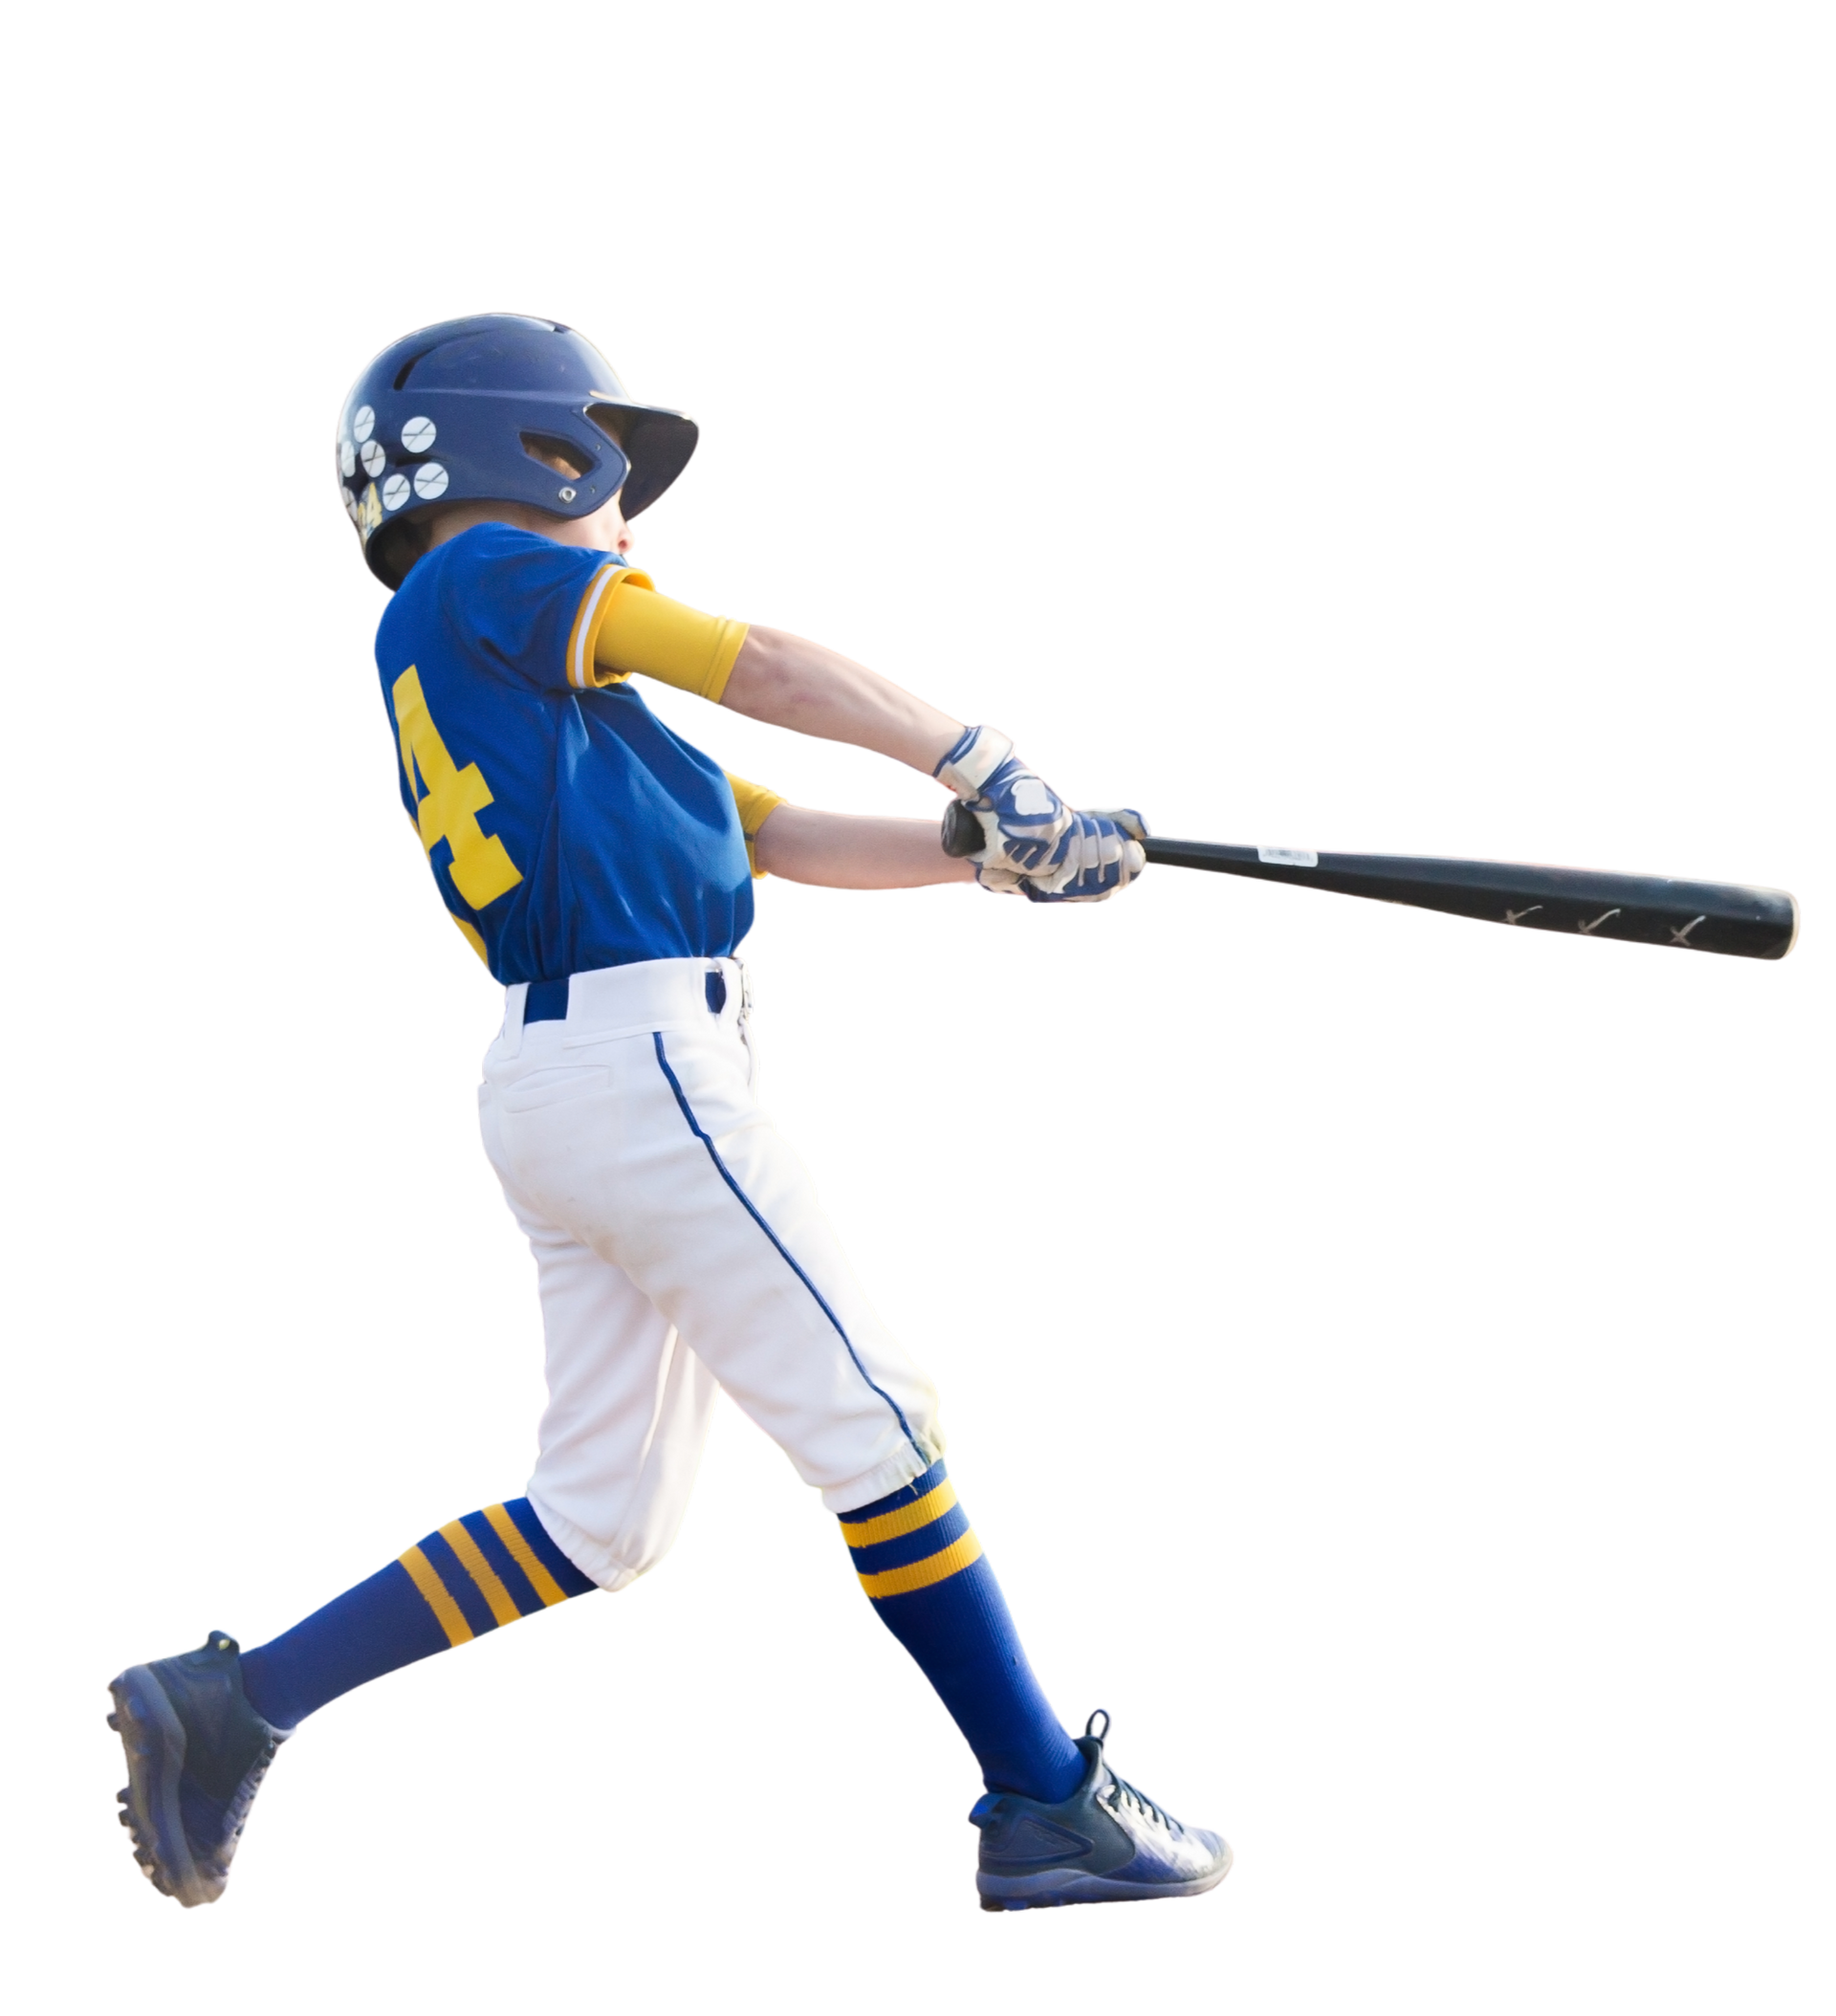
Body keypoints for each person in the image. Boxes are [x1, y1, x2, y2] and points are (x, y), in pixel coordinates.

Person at [103, 311, 1235, 1917]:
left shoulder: (548, 702)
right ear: (523, 451)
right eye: (609, 481)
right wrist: (984, 759)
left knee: (600, 1520)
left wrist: (1003, 856)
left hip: (581, 1078)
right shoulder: (485, 578)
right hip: (640, 1072)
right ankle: (1044, 1802)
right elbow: (753, 661)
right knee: (874, 1421)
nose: (629, 525)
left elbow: (787, 839)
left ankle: (241, 1700)